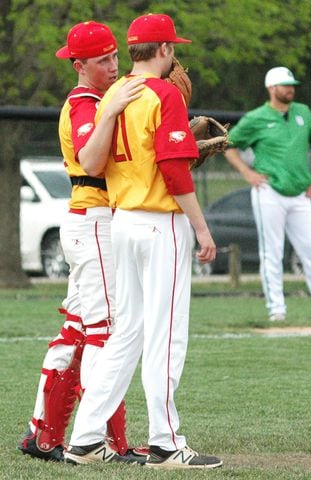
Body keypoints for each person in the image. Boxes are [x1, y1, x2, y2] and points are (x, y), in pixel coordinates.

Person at [63, 13, 222, 469]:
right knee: (166, 333)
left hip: (122, 221)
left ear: (131, 51)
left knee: (127, 334)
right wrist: (201, 226)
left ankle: (87, 438)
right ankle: (167, 443)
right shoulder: (163, 93)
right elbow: (173, 169)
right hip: (159, 223)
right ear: (165, 51)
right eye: (174, 48)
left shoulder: (113, 94)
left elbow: (97, 161)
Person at [18, 21, 146, 463]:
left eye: (115, 57)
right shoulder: (86, 104)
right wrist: (112, 112)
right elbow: (93, 154)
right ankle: (108, 443)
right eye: (102, 60)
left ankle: (43, 434)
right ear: (78, 65)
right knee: (105, 334)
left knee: (77, 330)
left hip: (90, 220)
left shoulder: (97, 101)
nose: (113, 66)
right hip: (95, 222)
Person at [224, 66, 311, 322]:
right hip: (269, 190)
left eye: (292, 84)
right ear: (271, 88)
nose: (290, 88)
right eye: (285, 84)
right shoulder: (256, 117)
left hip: (300, 192)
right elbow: (228, 145)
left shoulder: (302, 112)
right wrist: (247, 173)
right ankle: (277, 309)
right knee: (272, 251)